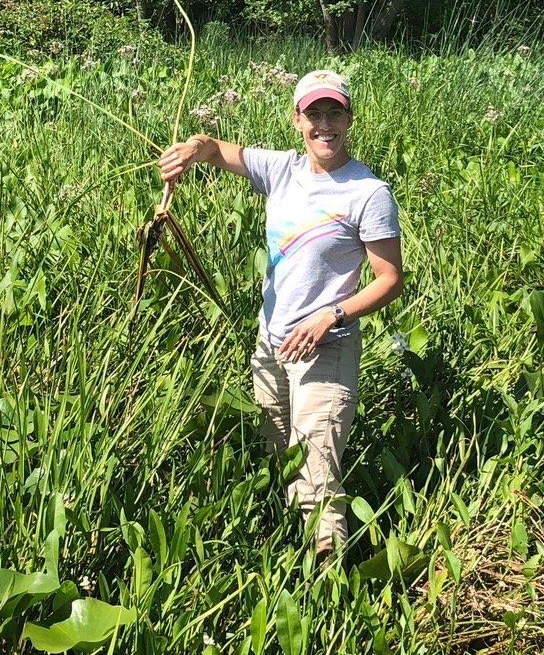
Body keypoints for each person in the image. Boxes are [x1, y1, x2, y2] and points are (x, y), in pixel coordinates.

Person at [157, 69, 403, 555]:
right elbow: (217, 149)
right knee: (280, 459)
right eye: (314, 114)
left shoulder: (368, 193)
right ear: (297, 120)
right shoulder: (281, 170)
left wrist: (330, 316)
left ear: (350, 118)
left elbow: (390, 280)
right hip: (271, 344)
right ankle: (286, 554)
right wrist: (191, 148)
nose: (324, 125)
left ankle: (328, 588)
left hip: (326, 349)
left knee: (315, 478)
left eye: (335, 112)